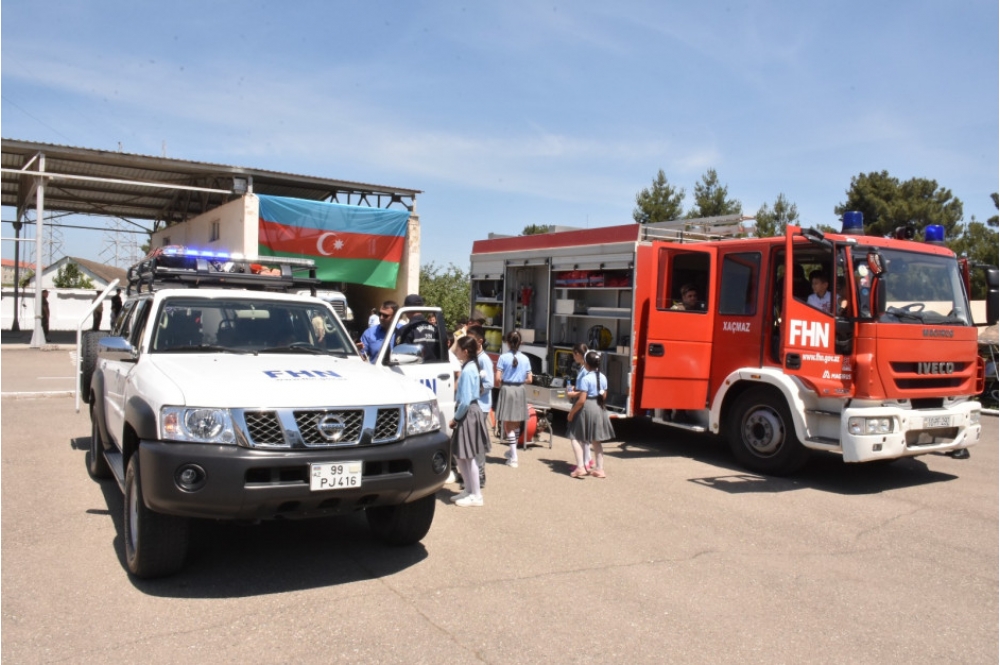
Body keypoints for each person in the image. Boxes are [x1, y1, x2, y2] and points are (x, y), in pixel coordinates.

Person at [449, 336, 491, 507]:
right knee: (461, 455)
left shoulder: (468, 370)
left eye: (458, 349)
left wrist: (455, 418)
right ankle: (469, 490)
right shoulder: (471, 366)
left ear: (465, 352)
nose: (456, 351)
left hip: (468, 413)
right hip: (470, 412)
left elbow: (465, 401)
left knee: (468, 456)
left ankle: (476, 495)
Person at [567, 350, 615, 479]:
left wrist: (572, 412)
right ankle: (599, 469)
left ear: (586, 364)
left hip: (587, 408)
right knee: (596, 440)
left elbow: (581, 400)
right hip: (599, 407)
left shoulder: (586, 379)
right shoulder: (603, 377)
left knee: (575, 436)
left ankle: (580, 467)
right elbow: (604, 395)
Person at [494, 330, 533, 468]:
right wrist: (520, 379)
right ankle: (512, 452)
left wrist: (503, 381)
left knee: (507, 424)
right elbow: (530, 379)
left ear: (508, 343)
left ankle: (514, 457)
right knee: (515, 424)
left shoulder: (503, 358)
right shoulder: (526, 358)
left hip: (507, 389)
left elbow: (497, 378)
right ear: (520, 342)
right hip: (520, 390)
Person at [465, 324, 493, 488]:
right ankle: (471, 474)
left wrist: (473, 391)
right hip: (473, 406)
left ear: (480, 341)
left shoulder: (484, 360)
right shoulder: (473, 358)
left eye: (471, 339)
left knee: (478, 442)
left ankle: (480, 474)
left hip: (481, 407)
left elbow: (489, 383)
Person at [565, 342, 593, 472]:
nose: (573, 357)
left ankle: (584, 463)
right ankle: (588, 460)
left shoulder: (585, 368)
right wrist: (575, 388)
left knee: (579, 434)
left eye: (574, 355)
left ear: (578, 354)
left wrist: (573, 393)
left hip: (583, 403)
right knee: (584, 434)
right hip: (585, 402)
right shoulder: (584, 367)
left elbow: (585, 391)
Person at [394, 294, 441, 360]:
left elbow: (399, 357)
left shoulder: (405, 331)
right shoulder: (437, 330)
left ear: (407, 309)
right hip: (437, 366)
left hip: (413, 366)